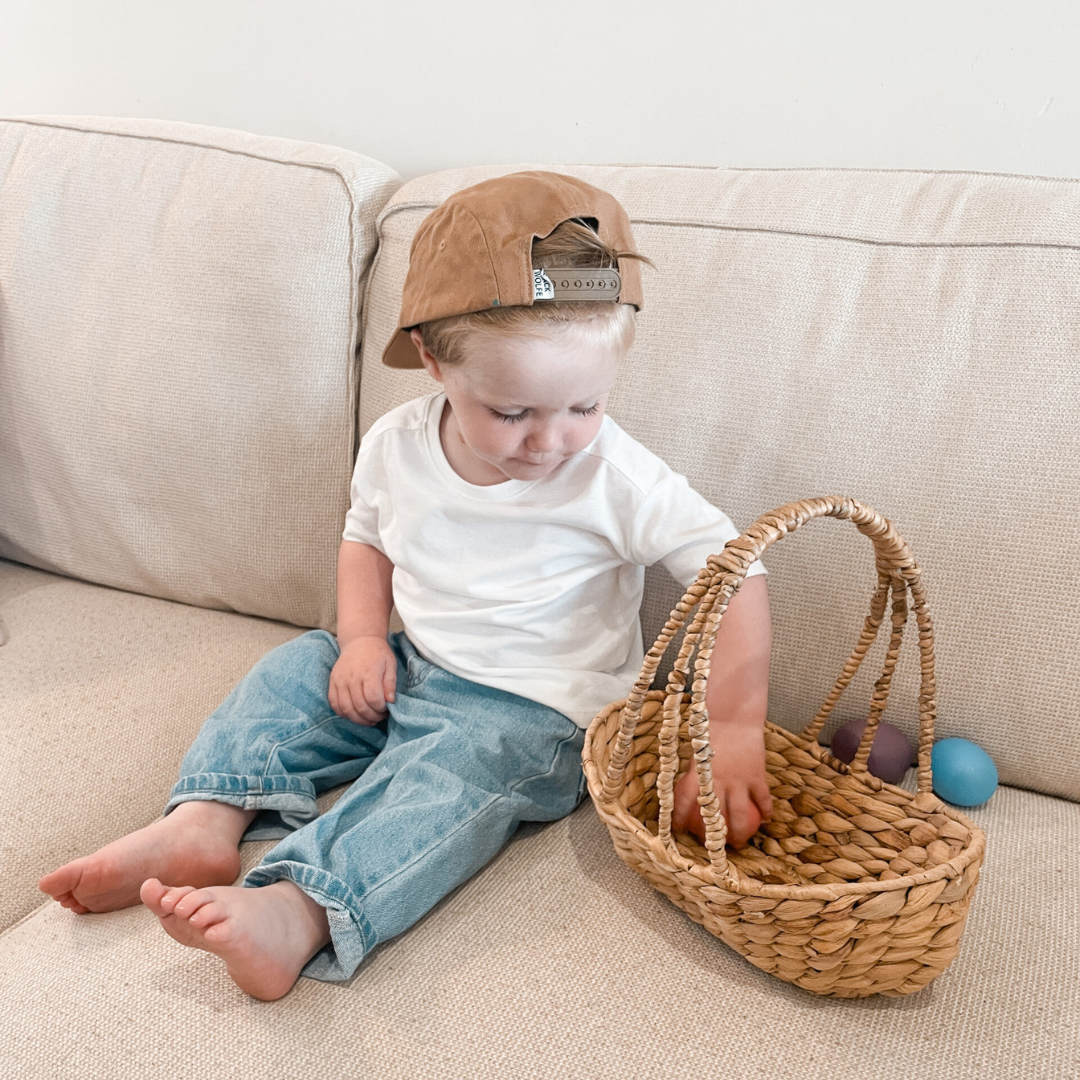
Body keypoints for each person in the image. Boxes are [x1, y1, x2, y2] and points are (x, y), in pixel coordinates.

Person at [38, 172, 773, 1001]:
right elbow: (366, 540)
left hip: (534, 714)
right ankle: (205, 821)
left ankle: (300, 909)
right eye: (512, 412)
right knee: (290, 674)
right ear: (431, 359)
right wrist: (358, 640)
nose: (549, 441)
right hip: (411, 662)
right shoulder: (396, 445)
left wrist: (734, 723)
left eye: (584, 405)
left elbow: (736, 568)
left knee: (437, 785)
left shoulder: (614, 477)